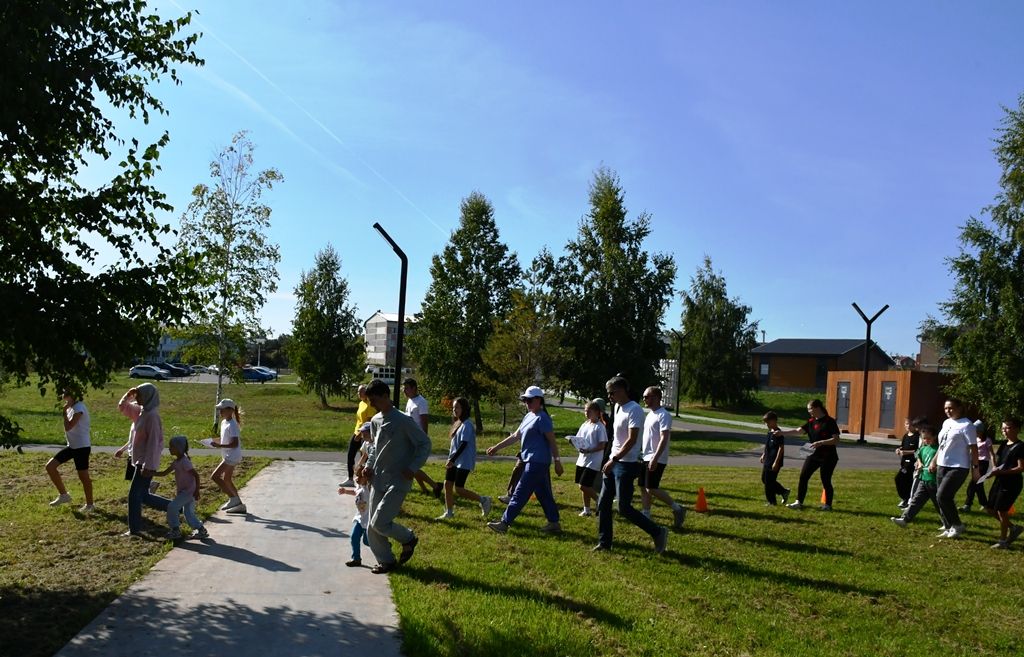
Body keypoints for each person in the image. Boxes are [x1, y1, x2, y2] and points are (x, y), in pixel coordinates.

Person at [363, 378, 432, 574]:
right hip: (378, 479)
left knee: (379, 522)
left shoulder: (403, 421)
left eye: (374, 399)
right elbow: (375, 448)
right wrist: (369, 466)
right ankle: (387, 561)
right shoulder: (375, 421)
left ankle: (409, 538)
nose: (372, 404)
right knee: (371, 527)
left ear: (386, 396)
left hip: (399, 480)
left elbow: (424, 444)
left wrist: (413, 467)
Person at [594, 376, 669, 554]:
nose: (609, 396)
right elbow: (617, 438)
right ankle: (604, 543)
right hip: (614, 461)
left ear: (622, 390)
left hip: (626, 465)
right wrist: (610, 458)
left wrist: (615, 459)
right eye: (608, 393)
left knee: (624, 508)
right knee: (603, 504)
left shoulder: (634, 409)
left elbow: (631, 439)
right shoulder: (618, 407)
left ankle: (658, 532)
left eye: (612, 393)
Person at [486, 386, 564, 535]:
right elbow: (516, 436)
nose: (526, 402)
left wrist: (558, 462)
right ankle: (554, 523)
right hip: (531, 461)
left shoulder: (543, 418)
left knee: (520, 493)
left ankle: (504, 522)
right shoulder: (528, 416)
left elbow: (552, 441)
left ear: (539, 400)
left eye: (529, 400)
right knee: (543, 494)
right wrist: (496, 447)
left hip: (537, 462)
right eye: (525, 400)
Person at [114, 384, 170, 537]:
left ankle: (134, 529)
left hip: (144, 463)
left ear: (147, 397)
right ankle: (178, 507)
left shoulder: (152, 417)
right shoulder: (141, 411)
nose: (137, 398)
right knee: (144, 496)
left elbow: (154, 444)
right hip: (138, 460)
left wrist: (148, 465)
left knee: (133, 496)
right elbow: (122, 407)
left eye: (139, 395)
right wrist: (129, 394)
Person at [776, 399, 840, 511]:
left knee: (825, 479)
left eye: (810, 409)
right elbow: (798, 431)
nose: (809, 411)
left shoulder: (829, 421)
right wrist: (782, 433)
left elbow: (836, 439)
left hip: (828, 456)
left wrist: (821, 442)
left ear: (817, 408)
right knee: (803, 476)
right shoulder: (811, 421)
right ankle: (798, 502)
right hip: (813, 454)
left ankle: (827, 505)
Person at [436, 397, 492, 519]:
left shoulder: (467, 425)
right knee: (447, 484)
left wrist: (452, 459)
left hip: (463, 461)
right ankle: (449, 512)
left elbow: (463, 444)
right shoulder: (458, 423)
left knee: (459, 489)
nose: (454, 410)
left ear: (464, 409)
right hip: (455, 460)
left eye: (457, 407)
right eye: (453, 408)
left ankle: (484, 500)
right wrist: (451, 458)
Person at [639, 386, 686, 528]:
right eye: (644, 396)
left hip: (656, 457)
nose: (644, 399)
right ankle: (646, 514)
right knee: (642, 486)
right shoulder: (650, 414)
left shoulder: (663, 415)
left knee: (651, 488)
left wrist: (655, 457)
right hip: (645, 456)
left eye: (647, 396)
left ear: (656, 398)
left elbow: (663, 438)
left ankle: (678, 508)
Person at [933, 398, 980, 539]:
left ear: (959, 408)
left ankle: (957, 525)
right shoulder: (946, 422)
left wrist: (975, 469)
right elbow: (942, 445)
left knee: (943, 496)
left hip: (958, 466)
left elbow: (974, 448)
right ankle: (948, 527)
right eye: (946, 408)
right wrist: (934, 461)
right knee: (940, 497)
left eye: (951, 408)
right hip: (942, 464)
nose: (948, 411)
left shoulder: (967, 425)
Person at [45, 388, 94, 512]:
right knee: (50, 467)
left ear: (72, 396)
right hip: (72, 446)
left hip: (81, 447)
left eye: (65, 394)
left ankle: (90, 505)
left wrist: (64, 413)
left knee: (83, 477)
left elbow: (69, 427)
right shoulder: (73, 407)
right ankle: (64, 495)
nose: (63, 397)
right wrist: (66, 411)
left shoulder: (79, 408)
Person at [154, 435, 207, 540]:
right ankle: (201, 530)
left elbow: (196, 475)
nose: (169, 448)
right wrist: (150, 473)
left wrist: (197, 491)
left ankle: (175, 530)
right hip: (184, 492)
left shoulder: (185, 462)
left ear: (179, 448)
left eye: (171, 446)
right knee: (188, 513)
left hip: (188, 492)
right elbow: (164, 473)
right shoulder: (177, 462)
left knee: (172, 507)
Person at [890, 422, 941, 527]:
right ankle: (904, 519)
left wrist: (935, 466)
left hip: (933, 481)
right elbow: (918, 457)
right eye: (924, 439)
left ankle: (949, 523)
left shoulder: (938, 450)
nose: (926, 440)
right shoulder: (923, 448)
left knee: (939, 504)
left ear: (935, 437)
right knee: (915, 501)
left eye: (928, 438)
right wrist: (919, 463)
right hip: (923, 479)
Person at [984, 417, 1024, 549]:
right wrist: (994, 469)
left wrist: (1002, 472)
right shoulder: (1003, 444)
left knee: (1002, 511)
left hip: (1012, 483)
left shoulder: (1021, 446)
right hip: (1000, 480)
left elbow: (1020, 468)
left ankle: (1003, 541)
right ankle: (1014, 528)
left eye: (1007, 428)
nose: (1004, 431)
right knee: (990, 509)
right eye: (1002, 428)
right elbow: (999, 461)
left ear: (1017, 429)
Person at [403, 378, 443, 497]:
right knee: (411, 466)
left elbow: (424, 421)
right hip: (409, 438)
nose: (405, 391)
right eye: (403, 389)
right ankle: (427, 489)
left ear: (414, 388)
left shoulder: (422, 402)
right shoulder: (410, 401)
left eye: (407, 388)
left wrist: (423, 439)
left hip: (418, 439)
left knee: (412, 467)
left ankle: (435, 486)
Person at [571, 400, 607, 517]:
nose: (586, 413)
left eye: (589, 411)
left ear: (597, 412)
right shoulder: (585, 424)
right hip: (582, 459)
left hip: (594, 460)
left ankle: (600, 502)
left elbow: (602, 445)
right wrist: (573, 442)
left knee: (584, 485)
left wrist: (589, 450)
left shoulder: (600, 427)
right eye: (585, 411)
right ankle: (586, 510)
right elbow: (578, 438)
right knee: (584, 487)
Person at [210, 398, 246, 514]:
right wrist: (211, 442)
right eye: (219, 409)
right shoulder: (224, 422)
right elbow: (224, 439)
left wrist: (219, 445)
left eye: (222, 409)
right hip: (228, 455)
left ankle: (233, 498)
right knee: (227, 479)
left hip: (232, 456)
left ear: (230, 410)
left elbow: (234, 443)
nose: (220, 412)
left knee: (215, 476)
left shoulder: (233, 425)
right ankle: (239, 505)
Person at [341, 384, 375, 488]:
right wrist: (357, 432)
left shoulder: (370, 404)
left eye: (361, 391)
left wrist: (361, 435)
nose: (359, 393)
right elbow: (359, 420)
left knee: (364, 456)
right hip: (357, 431)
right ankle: (350, 478)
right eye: (358, 391)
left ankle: (364, 481)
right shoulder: (361, 403)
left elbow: (369, 421)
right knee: (350, 454)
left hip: (364, 433)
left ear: (366, 392)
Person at [338, 470, 371, 566]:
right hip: (360, 518)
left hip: (369, 520)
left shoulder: (369, 489)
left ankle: (384, 546)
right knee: (354, 537)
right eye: (356, 476)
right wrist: (345, 491)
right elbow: (355, 492)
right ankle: (356, 559)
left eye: (360, 477)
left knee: (367, 542)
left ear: (366, 478)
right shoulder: (360, 487)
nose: (357, 479)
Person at [961, 420, 994, 512]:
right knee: (978, 485)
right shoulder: (974, 440)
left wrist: (994, 465)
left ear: (980, 431)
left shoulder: (987, 440)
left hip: (983, 463)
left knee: (973, 484)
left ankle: (967, 505)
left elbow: (992, 454)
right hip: (975, 463)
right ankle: (985, 504)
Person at [759, 412, 789, 506]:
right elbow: (767, 445)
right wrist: (763, 454)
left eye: (767, 422)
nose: (766, 424)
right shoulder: (770, 432)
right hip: (768, 460)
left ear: (773, 421)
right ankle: (783, 491)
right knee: (764, 479)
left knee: (769, 481)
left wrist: (776, 462)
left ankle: (771, 502)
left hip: (775, 461)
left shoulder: (778, 433)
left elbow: (781, 448)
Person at [894, 417, 921, 509]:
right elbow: (902, 447)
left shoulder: (918, 436)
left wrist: (906, 452)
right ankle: (905, 498)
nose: (908, 426)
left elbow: (918, 451)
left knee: (902, 479)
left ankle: (907, 499)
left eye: (910, 424)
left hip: (913, 463)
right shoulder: (906, 436)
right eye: (906, 424)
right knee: (900, 480)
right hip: (904, 462)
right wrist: (899, 449)